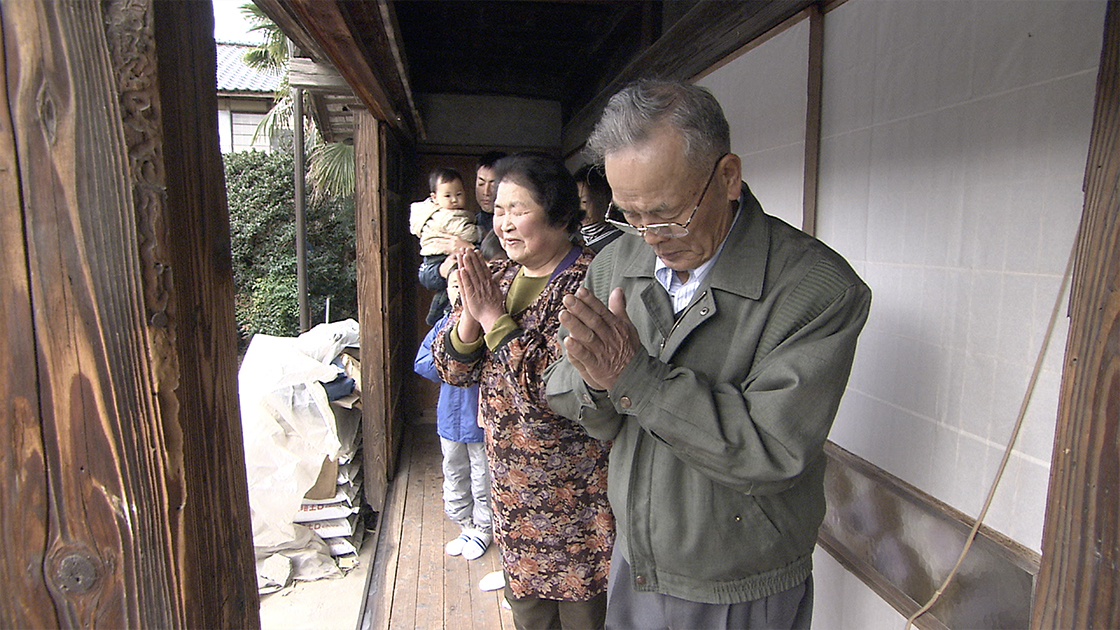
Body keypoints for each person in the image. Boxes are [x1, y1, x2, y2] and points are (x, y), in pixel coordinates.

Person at [545, 79, 872, 629]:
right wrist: (599, 382)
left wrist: (635, 377)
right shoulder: (617, 259)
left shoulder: (816, 288)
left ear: (727, 177)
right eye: (629, 213)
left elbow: (772, 451)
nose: (649, 235)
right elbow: (571, 395)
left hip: (739, 582)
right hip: (635, 558)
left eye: (667, 213)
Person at [433, 152, 614, 630]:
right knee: (528, 617)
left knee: (582, 619)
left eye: (519, 210)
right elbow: (450, 369)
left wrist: (495, 318)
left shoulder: (587, 280)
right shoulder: (502, 276)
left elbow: (553, 387)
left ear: (557, 212)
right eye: (499, 211)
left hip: (573, 498)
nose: (505, 224)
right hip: (514, 496)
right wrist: (473, 309)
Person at [413, 251, 503, 562]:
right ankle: (465, 525)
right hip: (449, 420)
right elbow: (422, 363)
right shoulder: (441, 326)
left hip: (479, 421)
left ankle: (483, 528)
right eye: (453, 285)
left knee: (482, 476)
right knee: (454, 473)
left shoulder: (490, 324)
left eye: (463, 285)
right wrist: (452, 363)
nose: (458, 291)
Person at [410, 167, 481, 325]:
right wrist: (480, 234)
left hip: (440, 257)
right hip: (439, 256)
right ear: (434, 198)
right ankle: (440, 314)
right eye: (448, 195)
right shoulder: (445, 216)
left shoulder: (445, 213)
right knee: (454, 284)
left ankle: (441, 313)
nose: (454, 200)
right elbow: (467, 232)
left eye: (459, 194)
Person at [573, 163, 623, 253]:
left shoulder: (620, 241)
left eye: (584, 201)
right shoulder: (572, 240)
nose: (578, 209)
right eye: (575, 202)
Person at [474, 150, 507, 234]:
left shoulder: (512, 225)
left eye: (493, 185)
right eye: (481, 184)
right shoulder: (470, 222)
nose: (486, 192)